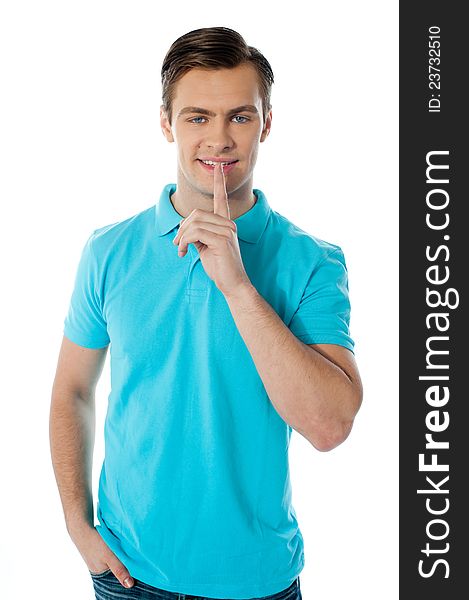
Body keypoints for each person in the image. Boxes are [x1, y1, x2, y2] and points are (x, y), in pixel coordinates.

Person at [49, 26, 363, 600]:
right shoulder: (108, 251)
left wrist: (239, 286)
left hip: (258, 582)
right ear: (167, 123)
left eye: (240, 117)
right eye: (198, 117)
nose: (219, 138)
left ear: (267, 122)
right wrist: (77, 523)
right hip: (127, 576)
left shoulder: (312, 262)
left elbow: (329, 426)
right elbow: (72, 389)